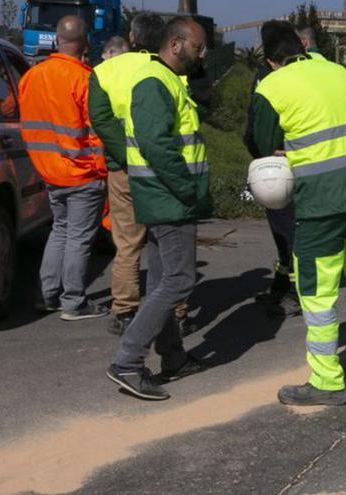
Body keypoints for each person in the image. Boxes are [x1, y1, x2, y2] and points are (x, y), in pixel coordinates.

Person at [252, 22, 346, 407]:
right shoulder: (341, 72)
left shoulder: (272, 86)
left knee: (316, 289)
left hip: (321, 199)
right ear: (303, 47)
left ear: (271, 60)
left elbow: (263, 145)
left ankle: (327, 382)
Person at [107, 16, 212, 401]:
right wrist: (187, 189)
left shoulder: (166, 80)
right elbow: (156, 145)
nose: (202, 54)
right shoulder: (154, 83)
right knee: (180, 280)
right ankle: (128, 361)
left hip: (166, 194)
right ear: (175, 44)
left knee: (163, 279)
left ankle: (173, 357)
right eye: (198, 47)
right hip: (169, 196)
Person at [89, 13, 197, 337]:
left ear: (132, 38)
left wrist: (126, 156)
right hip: (164, 170)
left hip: (123, 170)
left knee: (127, 242)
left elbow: (101, 119)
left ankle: (124, 311)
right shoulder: (172, 72)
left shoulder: (105, 71)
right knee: (168, 246)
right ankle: (176, 313)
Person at [18, 15, 109, 321]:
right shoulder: (83, 79)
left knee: (60, 231)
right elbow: (96, 131)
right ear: (85, 44)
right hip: (83, 172)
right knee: (79, 238)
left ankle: (46, 296)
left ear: (57, 40)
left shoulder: (32, 76)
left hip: (49, 171)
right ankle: (73, 301)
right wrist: (101, 171)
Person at [243, 20, 299, 316]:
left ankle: (294, 291)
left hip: (279, 168)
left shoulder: (268, 78)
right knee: (286, 233)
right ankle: (283, 286)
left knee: (287, 233)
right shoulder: (311, 70)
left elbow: (258, 130)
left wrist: (261, 154)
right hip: (292, 164)